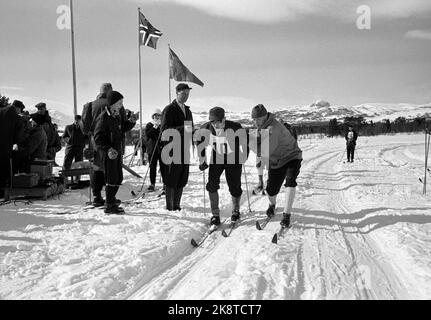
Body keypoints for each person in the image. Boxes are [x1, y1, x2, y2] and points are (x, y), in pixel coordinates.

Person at [250, 104, 302, 228]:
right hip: (276, 161)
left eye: (258, 119)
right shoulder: (261, 127)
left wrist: (249, 142)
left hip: (292, 156)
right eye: (254, 120)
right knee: (271, 190)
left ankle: (286, 215)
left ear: (265, 116)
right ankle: (272, 205)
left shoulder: (274, 127)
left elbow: (264, 150)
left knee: (290, 181)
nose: (256, 122)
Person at [197, 107, 248, 225]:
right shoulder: (206, 128)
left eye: (217, 122)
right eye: (212, 122)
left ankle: (235, 210)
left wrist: (244, 156)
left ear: (224, 119)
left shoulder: (235, 127)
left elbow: (245, 142)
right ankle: (215, 215)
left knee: (234, 186)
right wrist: (202, 160)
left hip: (233, 158)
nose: (215, 124)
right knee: (211, 185)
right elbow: (200, 143)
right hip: (217, 157)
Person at [93, 91, 138, 214]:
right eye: (119, 102)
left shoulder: (116, 115)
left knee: (118, 178)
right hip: (109, 152)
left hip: (117, 151)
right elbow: (98, 138)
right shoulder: (103, 117)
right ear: (112, 103)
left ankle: (111, 199)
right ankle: (110, 205)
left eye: (122, 102)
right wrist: (108, 149)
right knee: (112, 178)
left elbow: (122, 129)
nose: (121, 105)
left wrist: (132, 121)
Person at [160, 83, 194, 211]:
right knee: (171, 177)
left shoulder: (188, 110)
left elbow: (189, 129)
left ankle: (177, 205)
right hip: (172, 149)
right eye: (183, 94)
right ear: (177, 93)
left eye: (187, 94)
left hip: (185, 148)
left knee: (182, 177)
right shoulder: (169, 109)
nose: (186, 96)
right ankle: (170, 206)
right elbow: (164, 130)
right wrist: (183, 129)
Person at [0, 104, 25, 196]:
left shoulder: (1, 111)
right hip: (5, 147)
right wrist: (16, 143)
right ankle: (2, 191)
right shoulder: (17, 118)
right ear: (18, 108)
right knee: (3, 168)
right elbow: (18, 135)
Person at [145, 108, 163, 192]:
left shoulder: (163, 125)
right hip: (152, 149)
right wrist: (155, 127)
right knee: (152, 167)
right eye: (155, 115)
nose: (157, 117)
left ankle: (165, 184)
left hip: (162, 149)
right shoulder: (149, 125)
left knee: (164, 167)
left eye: (158, 115)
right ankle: (152, 184)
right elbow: (148, 135)